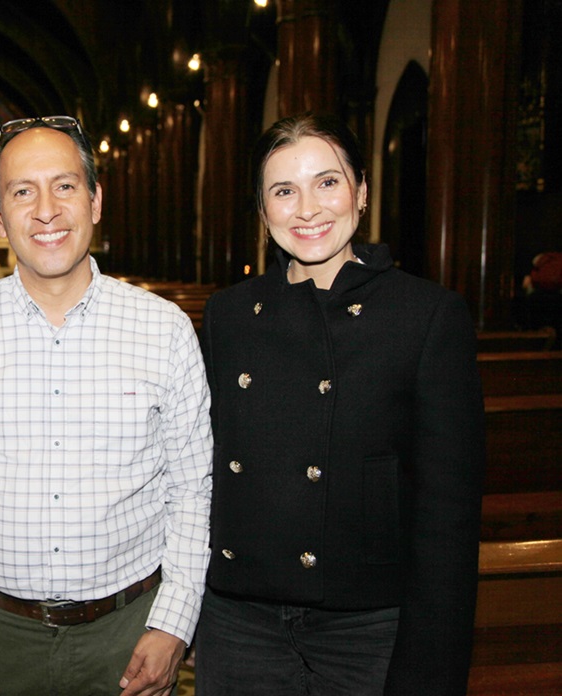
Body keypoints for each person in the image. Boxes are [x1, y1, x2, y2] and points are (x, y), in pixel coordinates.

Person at [0, 116, 213, 696]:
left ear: (95, 201)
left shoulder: (164, 329)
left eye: (65, 186)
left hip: (131, 627)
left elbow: (191, 488)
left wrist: (174, 623)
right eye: (23, 191)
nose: (46, 210)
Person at [193, 113, 485, 695]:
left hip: (367, 628)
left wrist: (431, 668)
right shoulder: (227, 316)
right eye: (284, 190)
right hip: (239, 623)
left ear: (362, 192)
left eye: (327, 182)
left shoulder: (427, 317)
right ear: (262, 209)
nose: (308, 209)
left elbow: (448, 516)